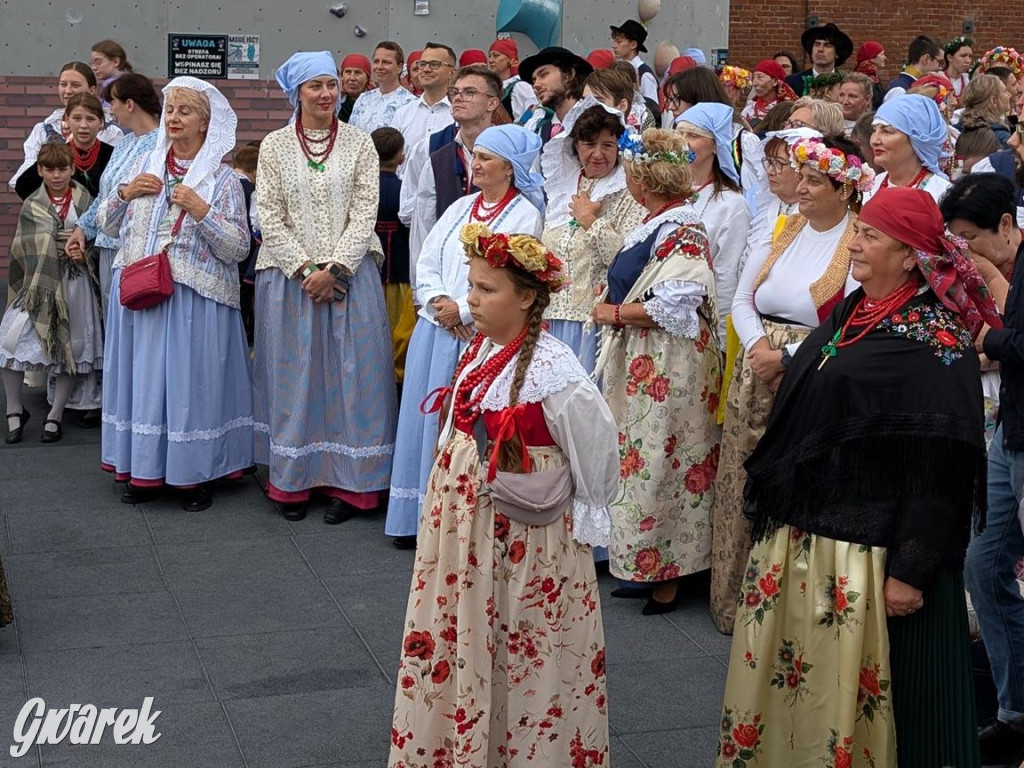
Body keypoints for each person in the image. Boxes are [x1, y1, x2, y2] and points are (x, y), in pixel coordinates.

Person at [717, 186, 997, 768]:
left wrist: (910, 573)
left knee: (876, 700)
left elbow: (940, 471)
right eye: (858, 231)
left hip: (872, 558)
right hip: (816, 535)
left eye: (870, 235)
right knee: (803, 686)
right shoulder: (859, 309)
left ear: (912, 254)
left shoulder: (937, 347)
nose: (856, 243)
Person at [388, 225, 618, 768]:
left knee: (526, 646)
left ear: (528, 296)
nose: (471, 298)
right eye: (471, 286)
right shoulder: (483, 351)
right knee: (464, 635)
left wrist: (587, 519)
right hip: (464, 534)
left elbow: (597, 451)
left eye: (486, 289)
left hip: (526, 540)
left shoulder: (555, 371)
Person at [711, 135, 872, 633]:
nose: (799, 186)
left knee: (797, 479)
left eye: (813, 180)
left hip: (812, 370)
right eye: (799, 176)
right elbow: (743, 298)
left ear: (844, 189)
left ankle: (787, 606)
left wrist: (786, 357)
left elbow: (851, 318)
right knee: (743, 472)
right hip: (758, 366)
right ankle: (734, 598)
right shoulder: (784, 229)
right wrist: (760, 347)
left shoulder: (857, 241)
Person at [98, 76, 254, 511]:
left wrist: (202, 211)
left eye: (185, 112)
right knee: (144, 384)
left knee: (191, 388)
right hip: (141, 293)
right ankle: (144, 470)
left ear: (205, 124)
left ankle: (195, 474)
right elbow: (108, 226)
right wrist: (125, 194)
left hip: (194, 299)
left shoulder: (223, 181)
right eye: (170, 110)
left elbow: (239, 248)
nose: (173, 119)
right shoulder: (141, 165)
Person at [386, 125, 544, 548]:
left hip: (480, 333)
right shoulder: (461, 207)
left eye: (486, 159)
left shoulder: (525, 215)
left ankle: (455, 518)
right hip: (439, 328)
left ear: (509, 169)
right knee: (426, 422)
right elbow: (428, 255)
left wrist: (465, 307)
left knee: (462, 424)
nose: (475, 164)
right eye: (476, 157)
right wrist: (440, 301)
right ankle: (417, 512)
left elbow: (510, 274)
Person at [254, 52, 395, 523]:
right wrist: (303, 269)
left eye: (332, 85)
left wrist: (333, 270)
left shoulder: (359, 143)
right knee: (296, 379)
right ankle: (295, 479)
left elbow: (365, 211)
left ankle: (351, 484)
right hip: (289, 279)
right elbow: (267, 215)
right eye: (315, 86)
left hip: (350, 279)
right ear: (296, 93)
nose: (327, 94)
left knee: (353, 378)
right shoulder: (274, 146)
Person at [590, 128, 721, 613]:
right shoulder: (656, 223)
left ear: (645, 179)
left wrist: (613, 313)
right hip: (645, 360)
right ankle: (641, 562)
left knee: (664, 462)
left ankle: (671, 571)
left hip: (672, 363)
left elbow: (676, 302)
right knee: (638, 460)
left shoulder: (684, 229)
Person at [943, 174, 1024, 766]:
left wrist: (994, 338)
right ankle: (1014, 711)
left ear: (1005, 226)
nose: (965, 251)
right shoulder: (1003, 266)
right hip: (1011, 434)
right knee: (984, 563)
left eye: (970, 238)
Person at [2, 142, 102, 444]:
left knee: (72, 347)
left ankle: (55, 414)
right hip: (38, 285)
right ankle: (14, 409)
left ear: (73, 169)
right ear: (40, 170)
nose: (56, 175)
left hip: (75, 281)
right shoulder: (32, 204)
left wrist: (84, 253)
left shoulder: (86, 200)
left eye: (63, 169)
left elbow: (100, 237)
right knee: (10, 342)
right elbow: (23, 248)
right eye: (50, 169)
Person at [541, 100, 645, 368]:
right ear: (576, 146)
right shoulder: (561, 188)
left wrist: (591, 221)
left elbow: (627, 263)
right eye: (589, 144)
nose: (598, 154)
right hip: (551, 321)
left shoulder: (628, 194)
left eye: (607, 145)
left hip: (596, 325)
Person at [68, 73, 162, 314]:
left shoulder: (162, 145)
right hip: (108, 245)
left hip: (139, 249)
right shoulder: (124, 143)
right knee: (112, 318)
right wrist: (82, 228)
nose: (111, 111)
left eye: (113, 103)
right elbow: (106, 194)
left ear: (129, 104)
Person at [401, 65, 502, 281]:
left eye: (470, 92)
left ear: (492, 103)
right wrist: (421, 289)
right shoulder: (433, 151)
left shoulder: (512, 152)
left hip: (497, 274)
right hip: (445, 274)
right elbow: (422, 225)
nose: (458, 98)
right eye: (455, 92)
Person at [675, 103, 751, 338]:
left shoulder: (732, 204)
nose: (683, 142)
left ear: (716, 145)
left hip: (702, 322)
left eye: (694, 136)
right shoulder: (668, 192)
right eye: (679, 134)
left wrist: (721, 337)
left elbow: (726, 274)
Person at [8, 62, 122, 193]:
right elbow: (25, 179)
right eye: (63, 84)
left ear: (91, 90)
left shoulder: (110, 132)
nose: (68, 91)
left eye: (75, 85)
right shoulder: (44, 129)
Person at [371, 127, 415, 387]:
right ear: (401, 157)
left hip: (370, 271)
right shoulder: (405, 190)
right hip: (400, 268)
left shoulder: (363, 189)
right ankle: (397, 379)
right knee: (401, 330)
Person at [15, 93, 115, 200]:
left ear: (101, 121)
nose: (83, 125)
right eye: (76, 118)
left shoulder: (114, 155)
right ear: (67, 120)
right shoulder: (57, 154)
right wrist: (50, 209)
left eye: (90, 119)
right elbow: (23, 185)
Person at [865, 94, 952, 203]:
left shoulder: (941, 194)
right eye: (874, 130)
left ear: (916, 140)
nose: (874, 141)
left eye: (887, 131)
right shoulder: (870, 187)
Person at [516, 46, 593, 143]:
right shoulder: (541, 127)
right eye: (534, 80)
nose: (536, 85)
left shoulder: (596, 119)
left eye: (543, 75)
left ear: (568, 75)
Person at [390, 42, 455, 154]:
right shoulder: (403, 114)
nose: (426, 69)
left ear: (451, 73)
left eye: (434, 64)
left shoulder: (460, 114)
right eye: (422, 64)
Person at [349, 42, 416, 134]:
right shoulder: (363, 99)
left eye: (386, 62)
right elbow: (351, 134)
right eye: (376, 61)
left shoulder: (411, 103)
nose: (379, 67)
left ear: (399, 67)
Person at [231, 142, 260, 347]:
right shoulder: (251, 190)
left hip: (225, 258)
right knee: (244, 305)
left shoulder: (222, 184)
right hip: (246, 259)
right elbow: (254, 226)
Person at [785, 22, 853, 97]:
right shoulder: (793, 81)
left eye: (827, 45)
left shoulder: (845, 82)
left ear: (837, 53)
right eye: (817, 44)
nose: (820, 49)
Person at [609, 19, 658, 104]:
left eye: (619, 41)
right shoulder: (617, 68)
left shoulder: (645, 74)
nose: (614, 46)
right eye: (614, 41)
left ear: (633, 45)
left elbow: (652, 106)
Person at [957, 74, 1013, 147]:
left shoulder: (955, 131)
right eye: (1005, 92)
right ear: (994, 101)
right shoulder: (1001, 138)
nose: (1009, 95)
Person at [487, 38, 535, 121]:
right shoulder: (495, 86)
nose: (490, 60)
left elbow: (531, 113)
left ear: (510, 60)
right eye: (490, 56)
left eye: (496, 56)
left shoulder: (520, 86)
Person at [885, 35, 944, 100]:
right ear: (926, 59)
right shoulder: (900, 89)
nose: (940, 68)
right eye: (940, 62)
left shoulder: (917, 84)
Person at [741, 60, 798, 127]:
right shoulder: (751, 107)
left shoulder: (787, 109)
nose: (754, 83)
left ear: (774, 81)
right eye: (754, 77)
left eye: (760, 77)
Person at [89, 39, 132, 104]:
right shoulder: (102, 86)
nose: (94, 68)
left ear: (116, 62)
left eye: (98, 62)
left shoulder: (127, 87)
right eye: (92, 63)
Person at [338, 53, 371, 123]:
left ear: (367, 79)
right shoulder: (334, 103)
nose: (352, 78)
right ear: (342, 77)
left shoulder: (374, 104)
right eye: (348, 72)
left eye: (358, 73)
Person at [854, 40, 887, 109]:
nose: (885, 57)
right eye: (882, 54)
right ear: (872, 57)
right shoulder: (865, 78)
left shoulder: (873, 74)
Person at [945, 36, 975, 106]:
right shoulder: (939, 79)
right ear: (950, 57)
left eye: (970, 56)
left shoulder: (968, 82)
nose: (968, 61)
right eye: (963, 56)